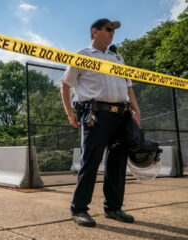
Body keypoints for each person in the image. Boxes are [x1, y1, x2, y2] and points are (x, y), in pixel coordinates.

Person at [60, 18, 141, 227]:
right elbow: (65, 85)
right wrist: (70, 114)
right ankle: (79, 209)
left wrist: (136, 110)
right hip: (96, 115)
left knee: (117, 164)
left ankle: (113, 208)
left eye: (113, 30)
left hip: (121, 115)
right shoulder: (83, 56)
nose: (112, 33)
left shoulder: (118, 58)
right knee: (91, 162)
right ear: (94, 32)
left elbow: (128, 86)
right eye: (108, 29)